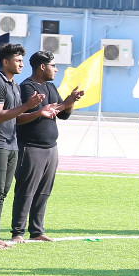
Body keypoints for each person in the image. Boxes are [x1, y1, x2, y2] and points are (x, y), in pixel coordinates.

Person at [10, 50, 84, 242]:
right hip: (31, 147)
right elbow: (42, 112)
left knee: (44, 191)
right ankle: (18, 232)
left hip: (51, 147)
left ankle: (37, 231)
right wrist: (65, 103)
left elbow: (62, 114)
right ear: (42, 67)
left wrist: (70, 102)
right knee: (26, 191)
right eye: (53, 66)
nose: (56, 69)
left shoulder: (50, 86)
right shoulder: (27, 87)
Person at [0, 41, 44, 249]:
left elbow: (16, 118)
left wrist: (38, 111)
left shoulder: (14, 86)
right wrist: (27, 105)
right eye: (17, 60)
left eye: (22, 60)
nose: (21, 64)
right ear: (5, 62)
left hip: (11, 144)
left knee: (3, 191)